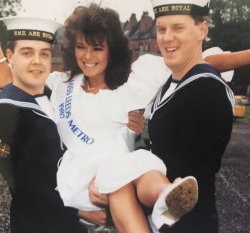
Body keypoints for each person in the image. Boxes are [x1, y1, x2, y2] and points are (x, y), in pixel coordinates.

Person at [0, 15, 198, 233]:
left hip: (120, 170)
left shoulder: (128, 89)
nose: (87, 56)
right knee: (119, 181)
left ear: (111, 51)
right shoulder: (61, 85)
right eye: (81, 47)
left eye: (97, 48)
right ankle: (162, 203)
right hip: (81, 175)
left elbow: (188, 66)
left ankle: (166, 195)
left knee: (141, 165)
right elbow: (12, 77)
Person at [143, 0, 234, 232]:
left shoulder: (207, 90)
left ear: (201, 30)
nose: (166, 37)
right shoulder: (171, 82)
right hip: (162, 220)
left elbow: (188, 173)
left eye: (178, 28)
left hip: (187, 224)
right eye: (161, 29)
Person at [0, 17, 92, 233]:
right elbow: (23, 184)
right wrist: (79, 211)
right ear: (10, 57)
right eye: (27, 52)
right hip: (36, 223)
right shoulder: (6, 111)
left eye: (44, 53)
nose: (37, 61)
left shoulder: (56, 98)